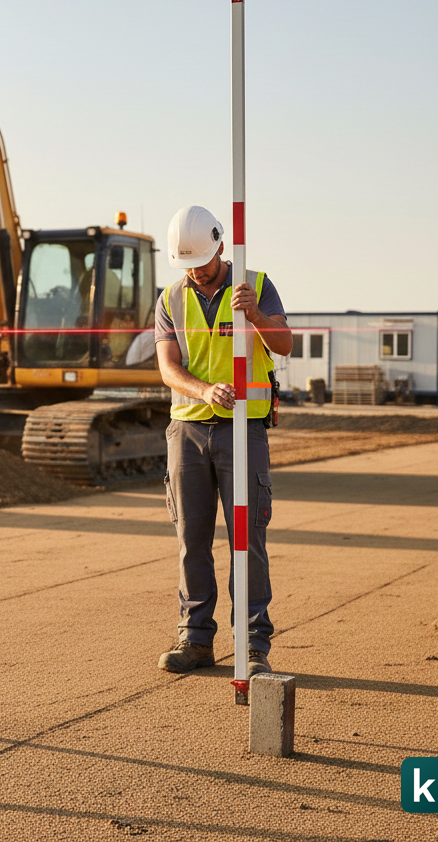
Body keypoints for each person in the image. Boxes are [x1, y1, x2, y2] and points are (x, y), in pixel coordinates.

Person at [154, 205, 292, 676]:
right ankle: (195, 640)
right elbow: (168, 367)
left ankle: (253, 646)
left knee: (246, 539)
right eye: (187, 263)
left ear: (220, 245)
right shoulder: (170, 298)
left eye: (204, 261)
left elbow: (285, 344)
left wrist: (254, 315)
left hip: (243, 431)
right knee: (191, 538)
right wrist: (204, 390)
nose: (196, 271)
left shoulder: (256, 283)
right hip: (188, 430)